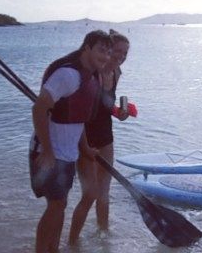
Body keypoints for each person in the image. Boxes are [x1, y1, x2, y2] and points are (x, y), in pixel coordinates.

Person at [30, 30, 111, 253]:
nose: (105, 56)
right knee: (55, 206)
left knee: (59, 205)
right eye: (101, 50)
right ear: (87, 47)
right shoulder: (68, 75)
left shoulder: (92, 76)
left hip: (67, 154)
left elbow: (78, 118)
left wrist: (85, 148)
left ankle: (52, 250)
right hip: (49, 152)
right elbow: (39, 108)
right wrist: (47, 150)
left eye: (108, 52)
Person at [69, 29, 131, 244]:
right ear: (107, 50)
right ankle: (72, 242)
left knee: (104, 192)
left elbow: (106, 106)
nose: (121, 56)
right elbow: (78, 111)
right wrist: (83, 146)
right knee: (90, 194)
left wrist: (119, 112)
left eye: (125, 53)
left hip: (106, 136)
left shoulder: (116, 73)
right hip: (84, 138)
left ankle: (103, 237)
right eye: (117, 51)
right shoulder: (91, 73)